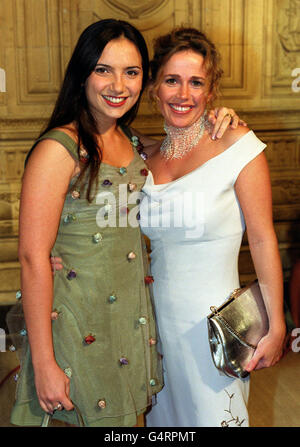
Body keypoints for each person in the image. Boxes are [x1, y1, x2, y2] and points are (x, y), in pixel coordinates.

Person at [10, 19, 239, 427]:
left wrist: (213, 121)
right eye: (103, 70)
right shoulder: (58, 150)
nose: (118, 85)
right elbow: (31, 258)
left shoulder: (131, 142)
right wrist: (44, 363)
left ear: (143, 81)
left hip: (129, 321)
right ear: (82, 75)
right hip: (78, 323)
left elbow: (178, 151)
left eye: (131, 72)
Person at [136, 27, 286, 427]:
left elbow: (262, 237)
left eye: (196, 82)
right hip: (153, 327)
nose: (183, 95)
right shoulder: (140, 154)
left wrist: (276, 324)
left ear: (211, 89)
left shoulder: (239, 147)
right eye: (172, 80)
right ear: (153, 87)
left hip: (217, 330)